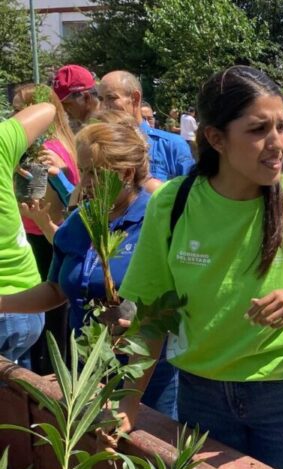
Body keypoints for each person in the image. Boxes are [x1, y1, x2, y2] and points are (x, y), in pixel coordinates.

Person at [100, 66, 283, 469]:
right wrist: (129, 402)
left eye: (282, 126)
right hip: (202, 397)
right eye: (259, 129)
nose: (278, 142)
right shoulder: (173, 204)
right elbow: (150, 314)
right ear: (216, 138)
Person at [0, 122, 179, 418]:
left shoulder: (157, 220)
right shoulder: (81, 220)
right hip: (85, 368)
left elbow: (176, 300)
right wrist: (3, 304)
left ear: (126, 173)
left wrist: (138, 318)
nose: (85, 182)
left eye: (95, 172)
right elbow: (56, 288)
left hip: (145, 377)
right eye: (83, 171)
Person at [13, 83, 80, 375]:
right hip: (44, 233)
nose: (15, 118)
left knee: (52, 320)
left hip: (47, 236)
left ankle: (50, 379)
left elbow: (71, 196)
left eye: (19, 110)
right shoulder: (57, 143)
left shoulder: (47, 150)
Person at [0, 103, 55, 366]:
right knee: (18, 397)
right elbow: (47, 109)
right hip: (25, 300)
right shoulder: (2, 141)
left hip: (16, 307)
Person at [98, 70, 195, 182]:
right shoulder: (98, 146)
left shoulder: (171, 146)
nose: (103, 107)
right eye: (100, 99)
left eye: (111, 98)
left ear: (135, 98)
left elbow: (190, 194)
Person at [52, 64, 99, 132]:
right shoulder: (76, 125)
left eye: (67, 104)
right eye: (60, 105)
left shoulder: (107, 127)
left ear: (87, 98)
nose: (63, 109)